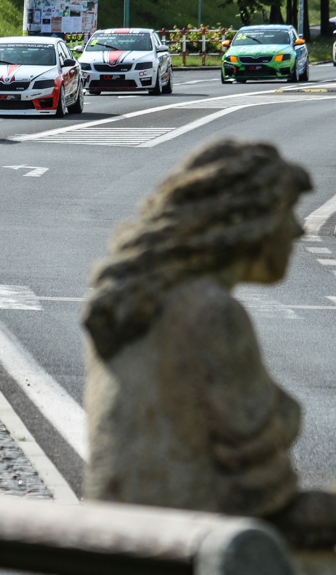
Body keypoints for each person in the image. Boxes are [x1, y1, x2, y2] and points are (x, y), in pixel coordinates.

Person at [82, 139, 311, 517]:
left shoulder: (127, 301)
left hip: (114, 542)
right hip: (188, 546)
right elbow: (267, 502)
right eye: (288, 211)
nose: (298, 230)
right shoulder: (211, 314)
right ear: (250, 220)